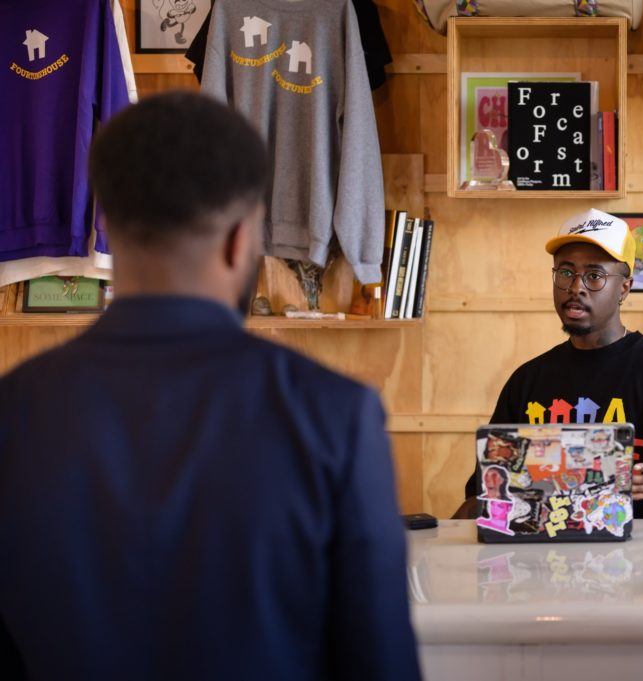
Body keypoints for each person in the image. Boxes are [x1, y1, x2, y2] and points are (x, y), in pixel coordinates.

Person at [0, 92, 421, 681]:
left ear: (108, 227)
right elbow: (379, 662)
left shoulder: (15, 412)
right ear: (241, 237)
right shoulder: (335, 417)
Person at [455, 208, 643, 519]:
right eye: (565, 272)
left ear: (625, 288)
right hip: (537, 563)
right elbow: (481, 498)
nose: (576, 287)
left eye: (594, 276)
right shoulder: (527, 381)